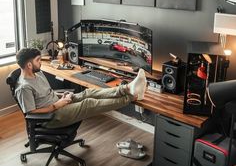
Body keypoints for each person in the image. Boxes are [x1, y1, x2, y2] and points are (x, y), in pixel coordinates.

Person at [15, 48, 147, 129]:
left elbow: (45, 95)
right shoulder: (24, 88)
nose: (41, 62)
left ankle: (128, 88)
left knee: (89, 93)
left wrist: (62, 96)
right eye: (38, 60)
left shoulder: (38, 73)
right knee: (88, 103)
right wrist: (56, 105)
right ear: (29, 65)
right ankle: (132, 96)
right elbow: (31, 112)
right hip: (51, 117)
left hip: (58, 104)